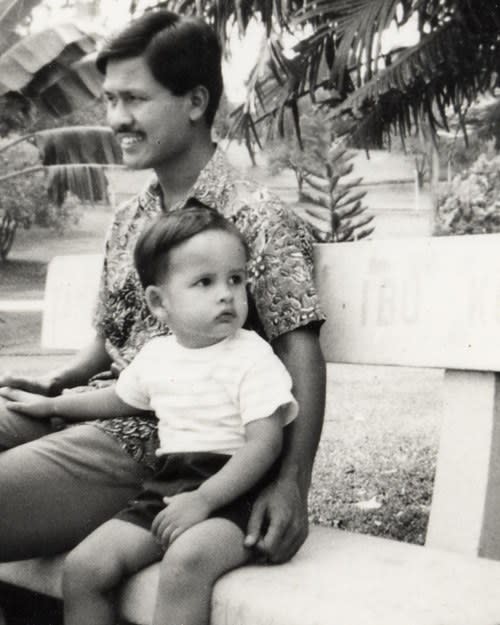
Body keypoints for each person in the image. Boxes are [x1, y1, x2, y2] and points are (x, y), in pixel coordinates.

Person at [0, 9, 325, 564]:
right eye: (110, 100)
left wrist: (292, 482)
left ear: (196, 103)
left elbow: (302, 353)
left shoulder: (258, 218)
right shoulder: (131, 217)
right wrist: (60, 381)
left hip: (165, 445)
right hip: (94, 406)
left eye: (135, 99)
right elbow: (113, 338)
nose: (117, 118)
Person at [2, 206, 299, 625]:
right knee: (86, 568)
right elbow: (117, 399)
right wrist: (52, 405)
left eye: (236, 279)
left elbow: (265, 445)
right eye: (204, 282)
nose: (226, 294)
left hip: (235, 493)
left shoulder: (252, 356)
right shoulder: (159, 355)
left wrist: (205, 499)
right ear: (159, 302)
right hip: (167, 483)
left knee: (186, 562)